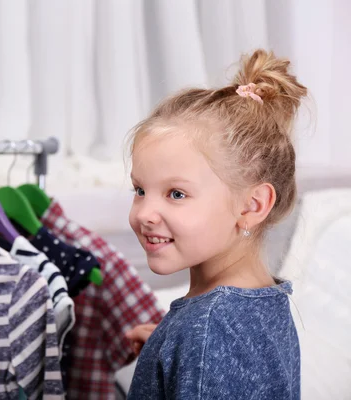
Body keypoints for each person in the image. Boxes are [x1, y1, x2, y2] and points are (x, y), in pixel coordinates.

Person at [125, 49, 305, 399]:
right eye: (140, 189)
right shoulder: (263, 302)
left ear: (252, 205)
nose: (145, 213)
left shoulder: (207, 333)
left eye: (176, 194)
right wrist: (169, 350)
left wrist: (191, 348)